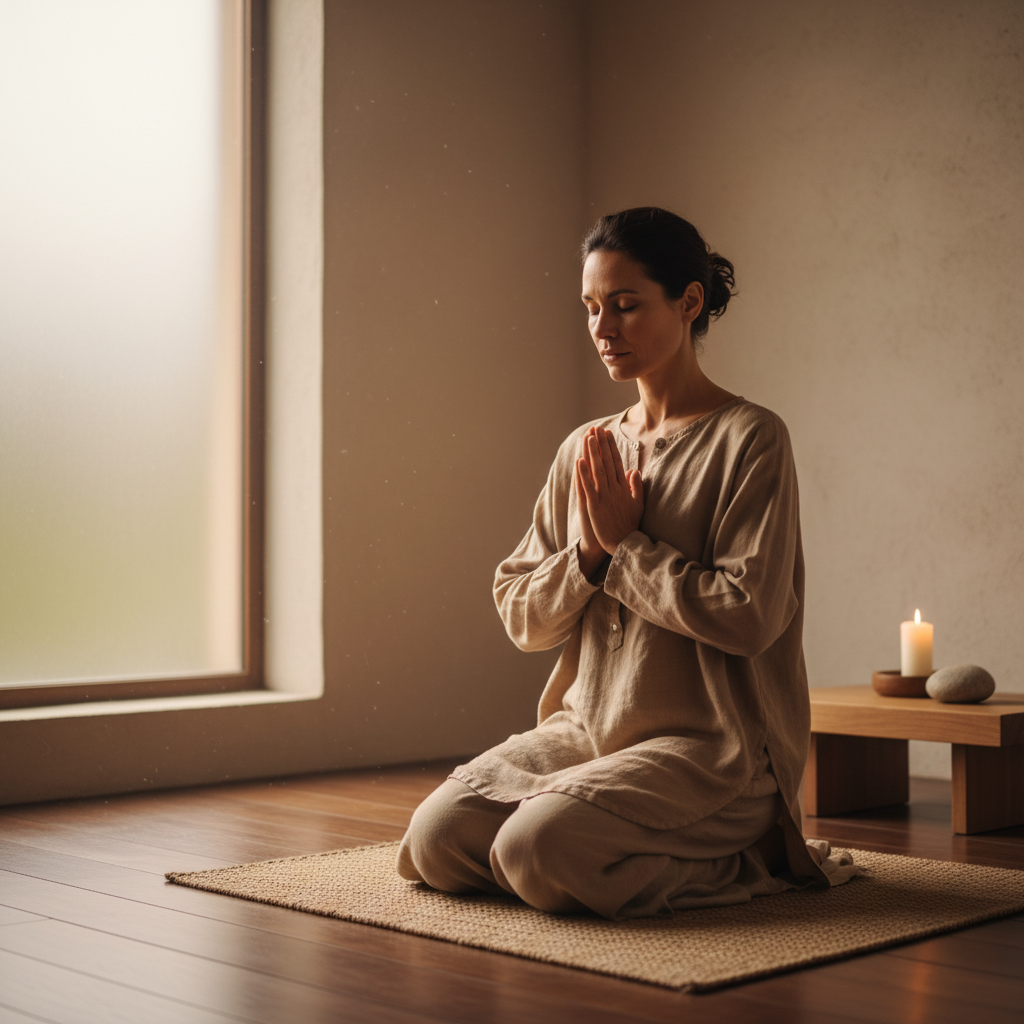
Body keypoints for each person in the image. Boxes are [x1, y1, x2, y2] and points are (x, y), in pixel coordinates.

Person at [396, 207, 856, 920]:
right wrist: (586, 555)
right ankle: (592, 844)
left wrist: (625, 550)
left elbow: (751, 616)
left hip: (715, 751)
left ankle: (753, 857)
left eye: (625, 305)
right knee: (437, 841)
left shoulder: (752, 439)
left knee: (534, 851)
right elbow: (522, 616)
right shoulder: (585, 448)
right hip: (587, 731)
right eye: (591, 308)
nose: (603, 329)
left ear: (689, 302)